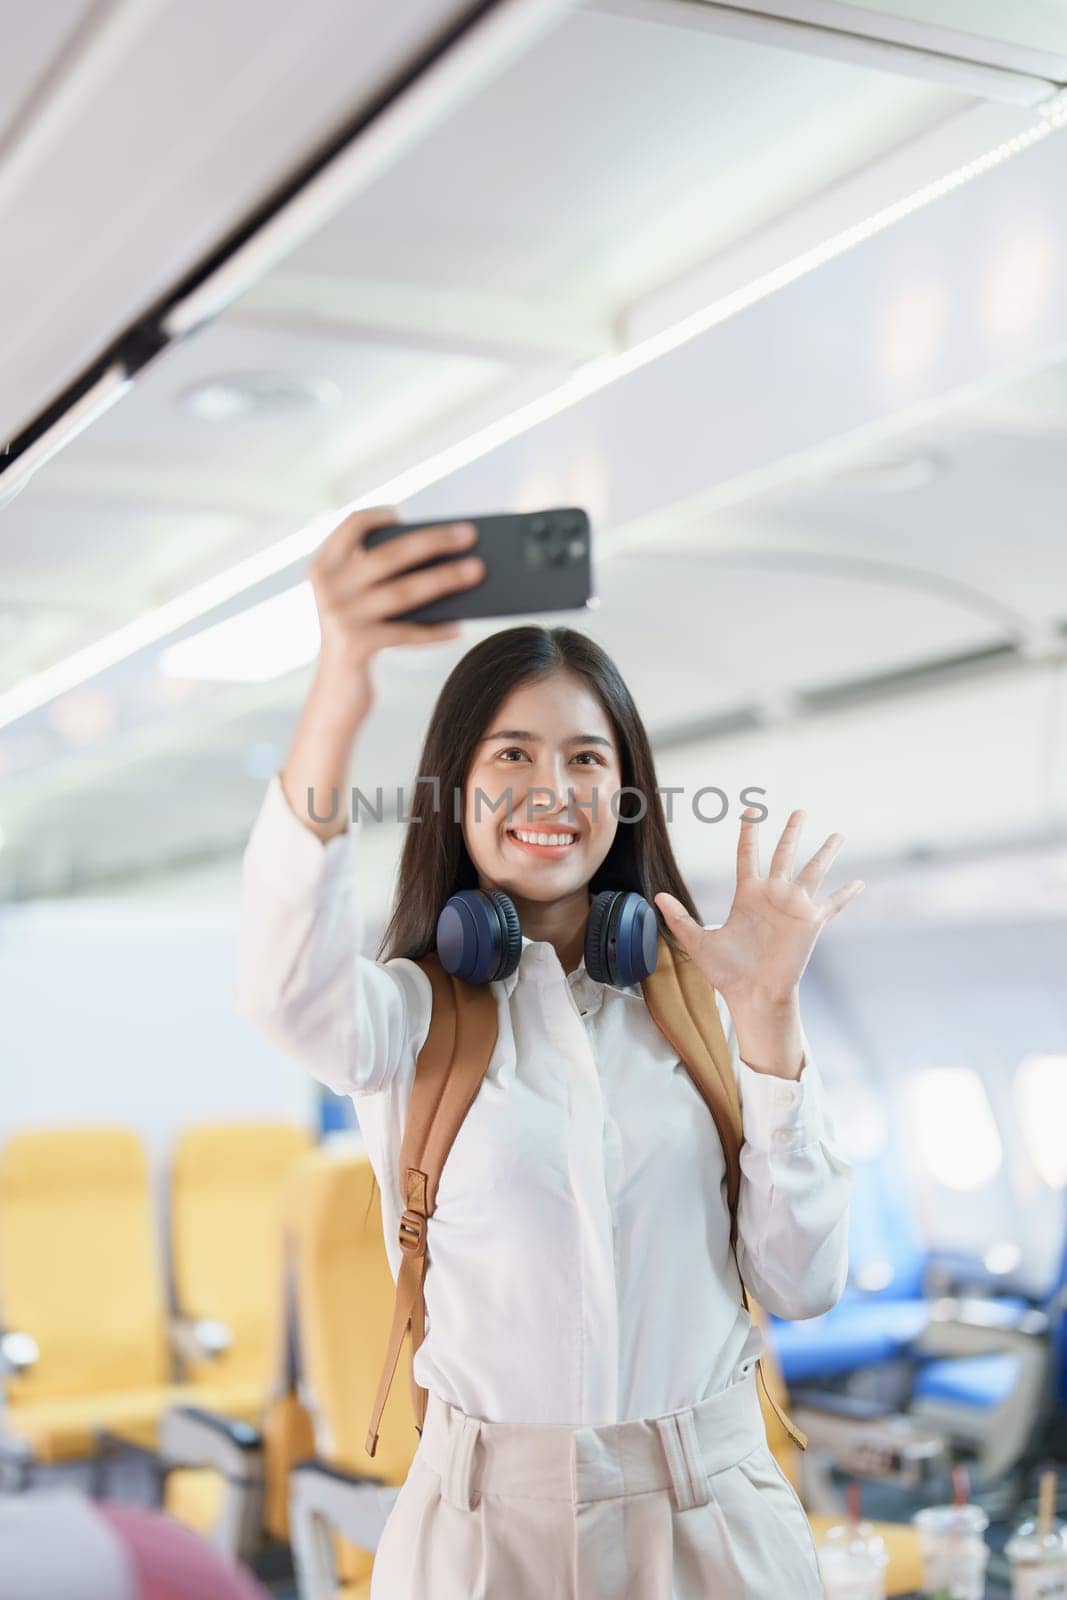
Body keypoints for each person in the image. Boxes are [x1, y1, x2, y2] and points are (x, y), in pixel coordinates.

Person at [236, 506, 860, 1599]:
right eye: (511, 754)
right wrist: (342, 676)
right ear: (455, 789)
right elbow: (286, 991)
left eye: (584, 758)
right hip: (485, 1528)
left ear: (621, 796)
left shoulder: (701, 1006)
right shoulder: (410, 1018)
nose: (550, 789)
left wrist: (766, 1018)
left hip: (707, 1509)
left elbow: (801, 1283)